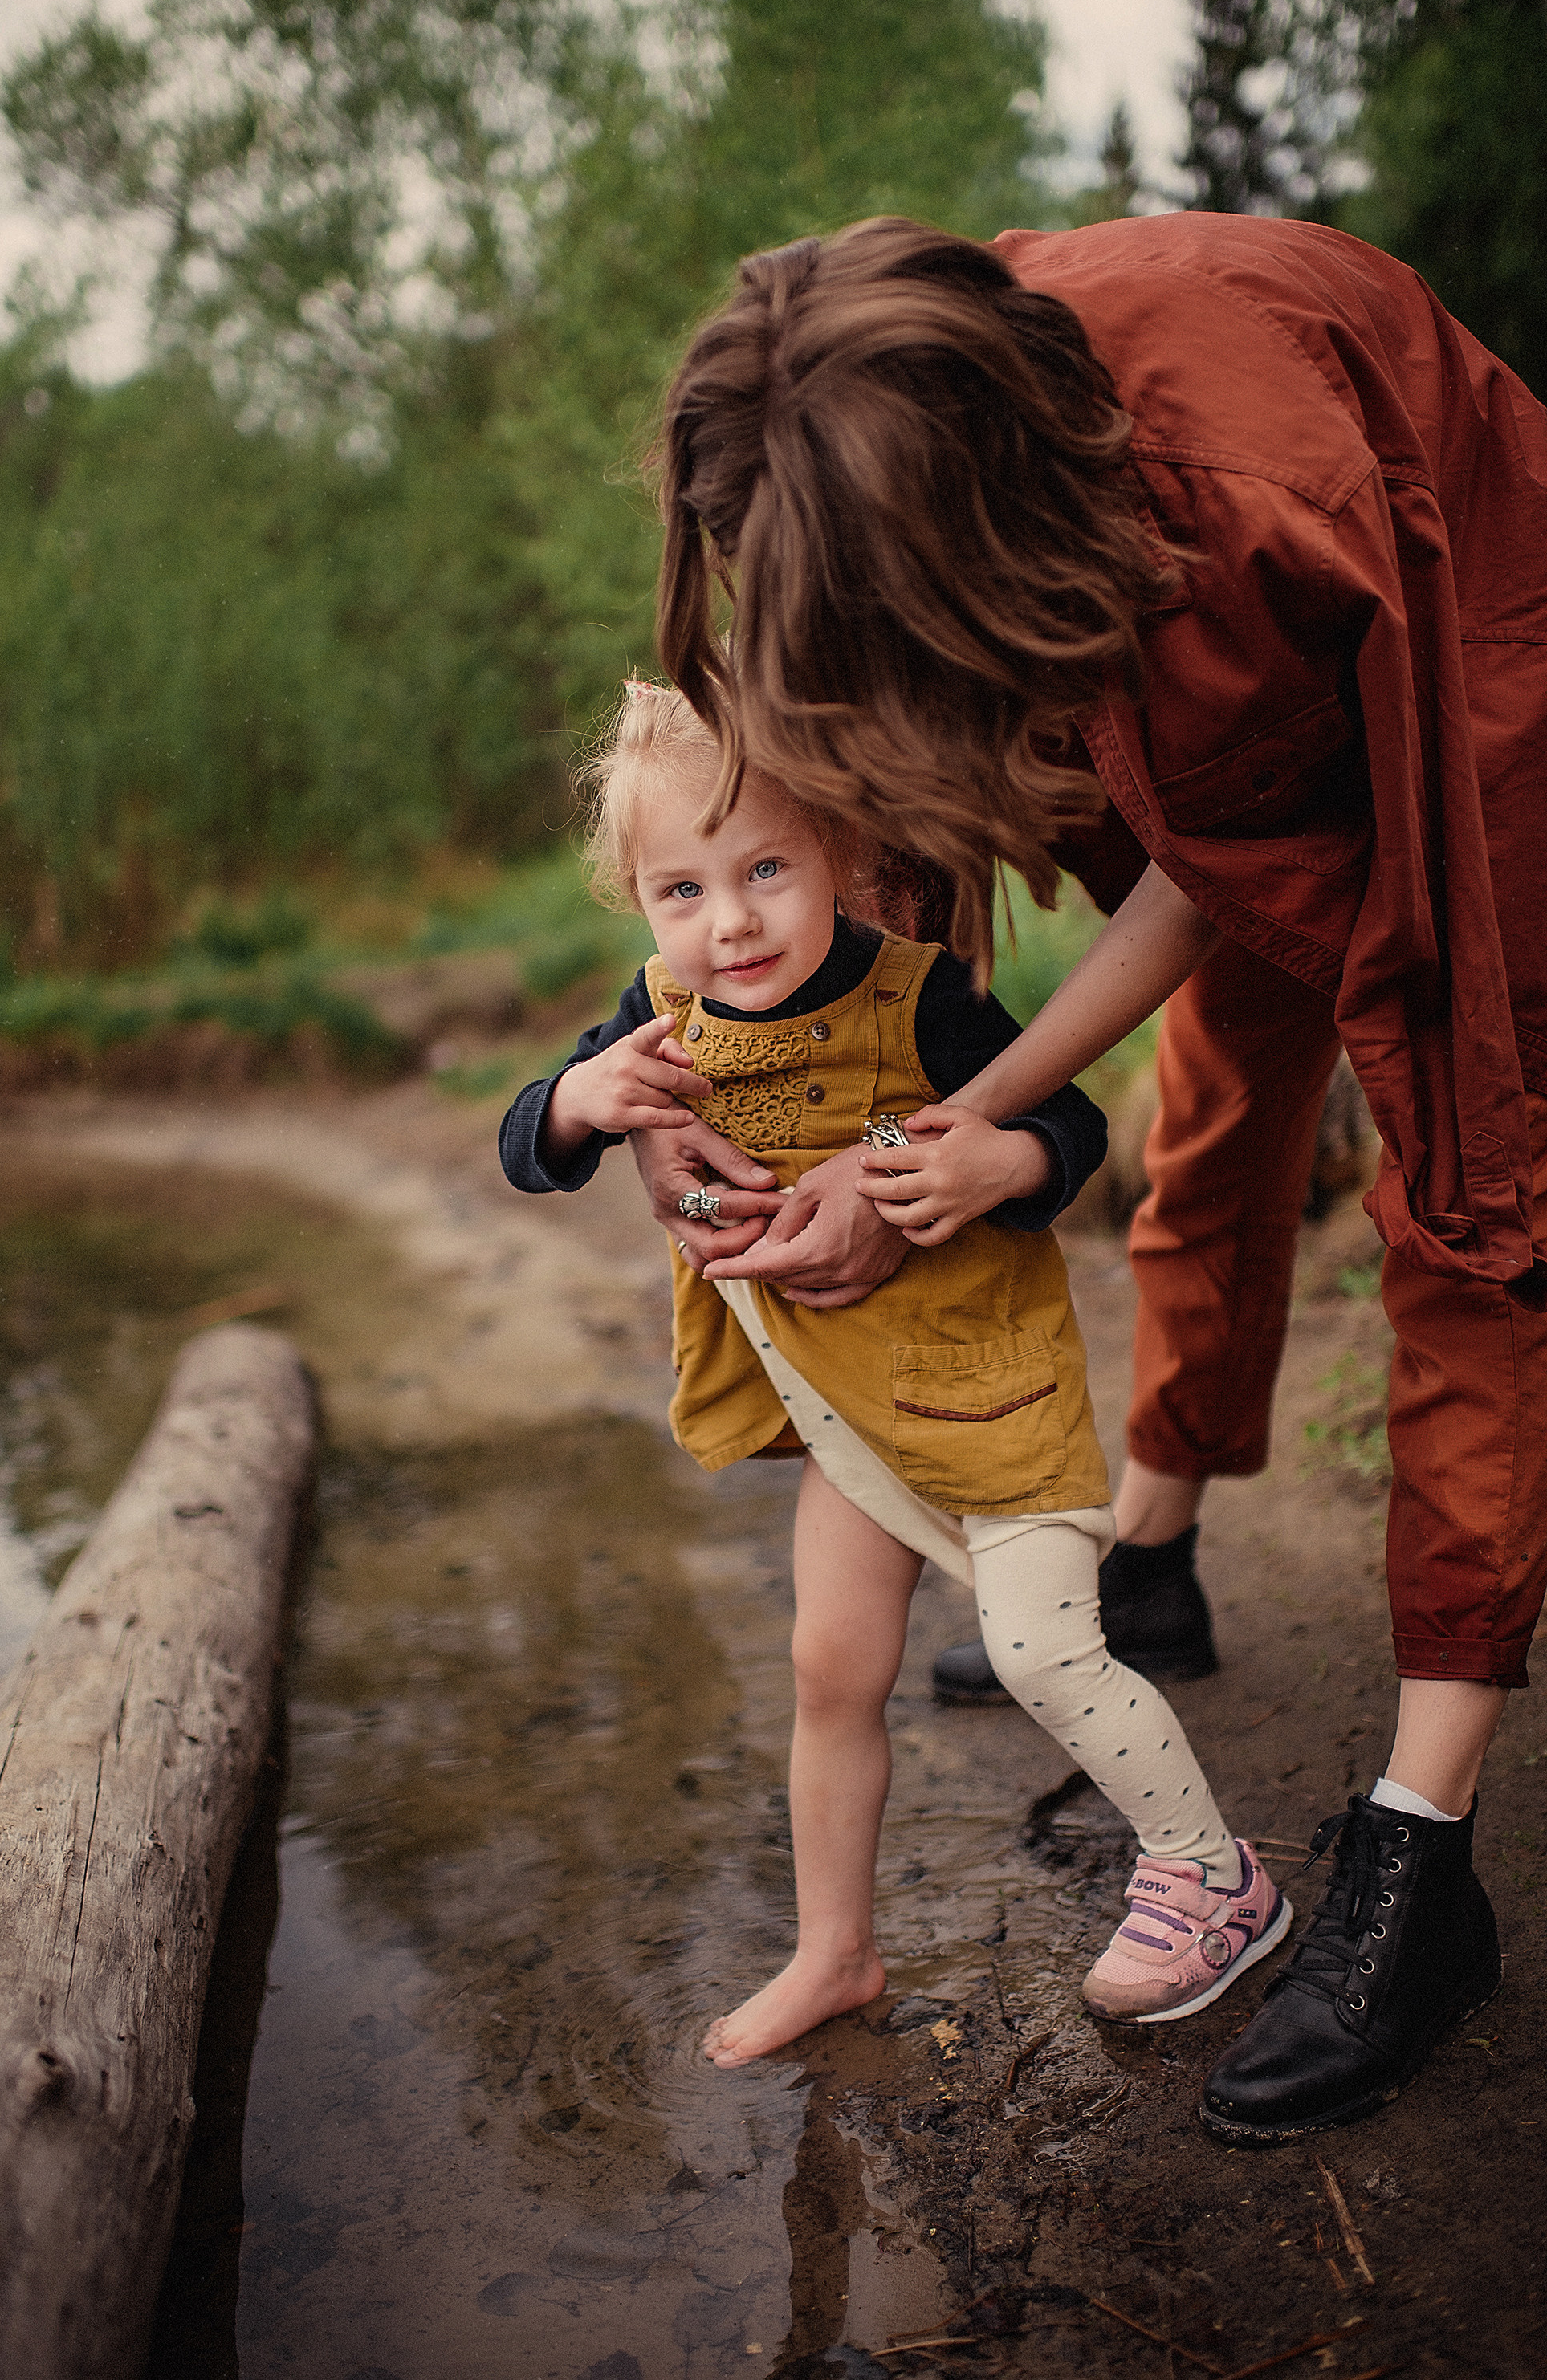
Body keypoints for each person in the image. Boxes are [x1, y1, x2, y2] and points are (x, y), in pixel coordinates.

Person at [634, 211, 1543, 2144]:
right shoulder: (882, 396)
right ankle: (1152, 1557)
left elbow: (1218, 858)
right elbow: (1060, 848)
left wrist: (989, 1115)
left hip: (1479, 676)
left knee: (1464, 1202)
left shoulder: (1242, 501)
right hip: (1223, 687)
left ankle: (1420, 1853)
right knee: (1215, 1124)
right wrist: (807, 1119)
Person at [498, 681, 1290, 2065]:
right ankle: (836, 1949)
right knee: (830, 1669)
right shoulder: (660, 1014)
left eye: (765, 871)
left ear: (843, 860)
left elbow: (1070, 1127)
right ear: (633, 895)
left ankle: (1214, 1876)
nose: (729, 922)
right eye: (680, 889)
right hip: (845, 1419)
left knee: (1050, 1651)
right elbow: (532, 1136)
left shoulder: (923, 1002)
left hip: (987, 1399)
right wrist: (578, 1103)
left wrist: (1003, 1157)